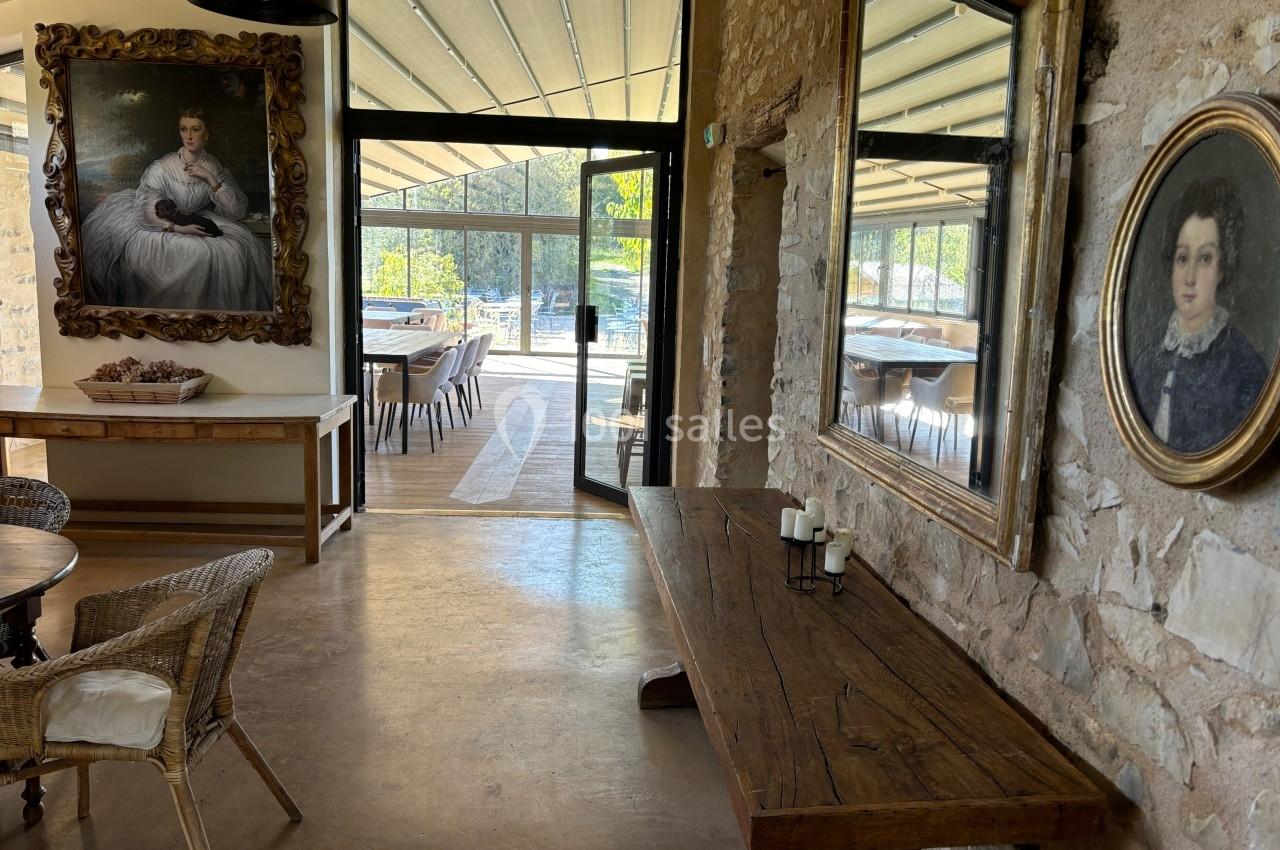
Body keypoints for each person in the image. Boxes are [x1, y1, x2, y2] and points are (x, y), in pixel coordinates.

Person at [81, 107, 271, 312]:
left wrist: (210, 178)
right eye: (183, 129)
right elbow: (145, 213)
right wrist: (179, 228)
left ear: (207, 134)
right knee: (197, 253)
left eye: (195, 129)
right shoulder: (162, 167)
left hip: (190, 216)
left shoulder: (213, 165)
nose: (188, 136)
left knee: (237, 250)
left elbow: (236, 212)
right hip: (158, 219)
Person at [1131, 178, 1268, 453]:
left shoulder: (1244, 368)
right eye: (1182, 258)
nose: (1190, 278)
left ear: (1222, 269)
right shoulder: (1147, 360)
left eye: (1205, 258)